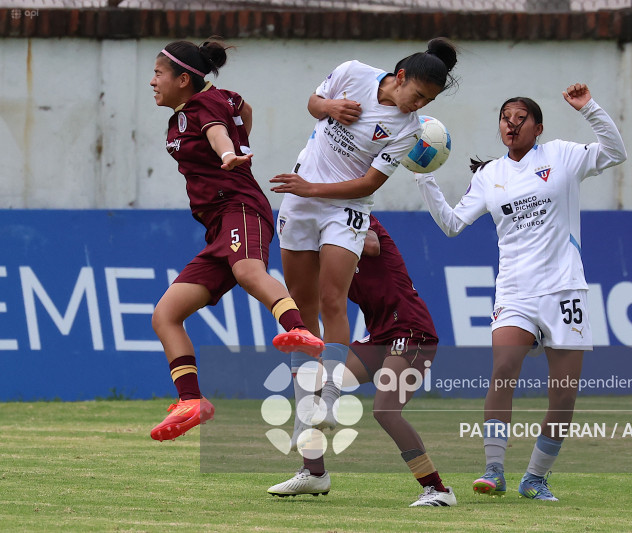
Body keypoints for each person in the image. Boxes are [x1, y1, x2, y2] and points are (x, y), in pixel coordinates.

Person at [414, 84, 627, 501]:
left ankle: (536, 478)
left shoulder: (563, 156)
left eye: (520, 118)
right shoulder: (490, 175)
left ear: (538, 127)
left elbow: (615, 152)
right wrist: (424, 177)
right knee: (503, 369)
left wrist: (589, 108)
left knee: (563, 393)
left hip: (565, 289)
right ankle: (494, 470)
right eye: (505, 118)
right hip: (515, 292)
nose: (511, 125)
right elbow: (452, 224)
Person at [266, 37, 458, 487]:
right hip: (300, 201)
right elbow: (312, 103)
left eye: (428, 102)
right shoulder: (352, 71)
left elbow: (369, 183)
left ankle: (330, 400)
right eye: (418, 95)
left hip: (344, 207)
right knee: (300, 313)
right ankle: (311, 454)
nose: (420, 106)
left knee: (332, 299)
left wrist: (311, 189)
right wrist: (329, 107)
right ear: (401, 76)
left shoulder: (408, 130)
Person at [148, 40, 324, 442]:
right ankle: (191, 401)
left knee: (248, 271)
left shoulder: (204, 107)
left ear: (183, 79)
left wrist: (229, 153)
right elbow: (243, 110)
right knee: (165, 315)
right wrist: (239, 138)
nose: (152, 81)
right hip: (217, 230)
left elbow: (217, 132)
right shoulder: (208, 103)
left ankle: (300, 330)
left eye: (158, 74)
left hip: (239, 207)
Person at [267, 215, 456, 507]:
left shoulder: (354, 216)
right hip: (380, 336)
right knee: (315, 380)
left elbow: (372, 245)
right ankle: (313, 472)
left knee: (386, 411)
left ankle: (438, 489)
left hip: (410, 331)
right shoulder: (325, 248)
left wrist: (323, 234)